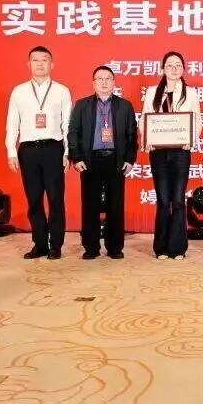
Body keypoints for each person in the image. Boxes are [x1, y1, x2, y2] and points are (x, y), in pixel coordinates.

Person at [5, 46, 72, 260]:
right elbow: (12, 122)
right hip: (28, 150)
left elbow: (67, 124)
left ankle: (56, 245)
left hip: (53, 149)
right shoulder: (19, 91)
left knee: (55, 199)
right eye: (35, 60)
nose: (40, 64)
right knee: (34, 199)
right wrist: (11, 150)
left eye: (44, 60)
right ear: (29, 64)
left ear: (52, 64)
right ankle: (40, 244)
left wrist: (68, 151)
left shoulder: (62, 91)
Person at [68, 66, 138, 260]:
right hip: (90, 160)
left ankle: (115, 247)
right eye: (100, 78)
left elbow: (132, 135)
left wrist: (130, 159)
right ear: (93, 83)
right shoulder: (82, 105)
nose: (104, 82)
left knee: (116, 205)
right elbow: (73, 132)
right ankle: (91, 247)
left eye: (108, 78)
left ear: (114, 83)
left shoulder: (125, 106)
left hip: (116, 160)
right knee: (89, 205)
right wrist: (77, 157)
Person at [142, 51, 202, 260]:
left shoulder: (190, 93)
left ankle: (177, 248)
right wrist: (147, 139)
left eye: (178, 65)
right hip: (158, 152)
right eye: (170, 64)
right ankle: (161, 247)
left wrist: (190, 140)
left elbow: (197, 120)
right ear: (163, 68)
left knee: (177, 199)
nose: (174, 68)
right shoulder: (152, 92)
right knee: (163, 199)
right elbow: (145, 118)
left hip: (180, 152)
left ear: (183, 69)